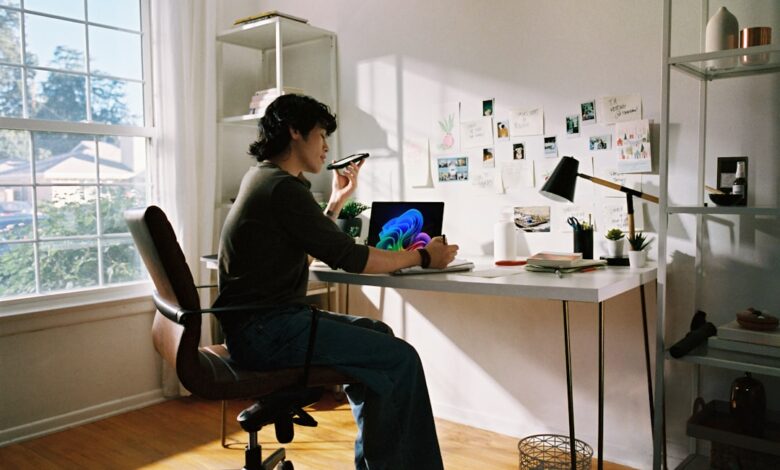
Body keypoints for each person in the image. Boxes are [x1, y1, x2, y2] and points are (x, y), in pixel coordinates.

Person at [214, 94, 458, 469]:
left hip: (260, 325)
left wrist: (336, 202)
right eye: (321, 134)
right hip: (268, 330)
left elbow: (309, 248)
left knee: (379, 332)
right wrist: (424, 255)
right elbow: (352, 258)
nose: (327, 146)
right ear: (295, 131)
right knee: (402, 359)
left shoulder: (264, 178)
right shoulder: (282, 188)